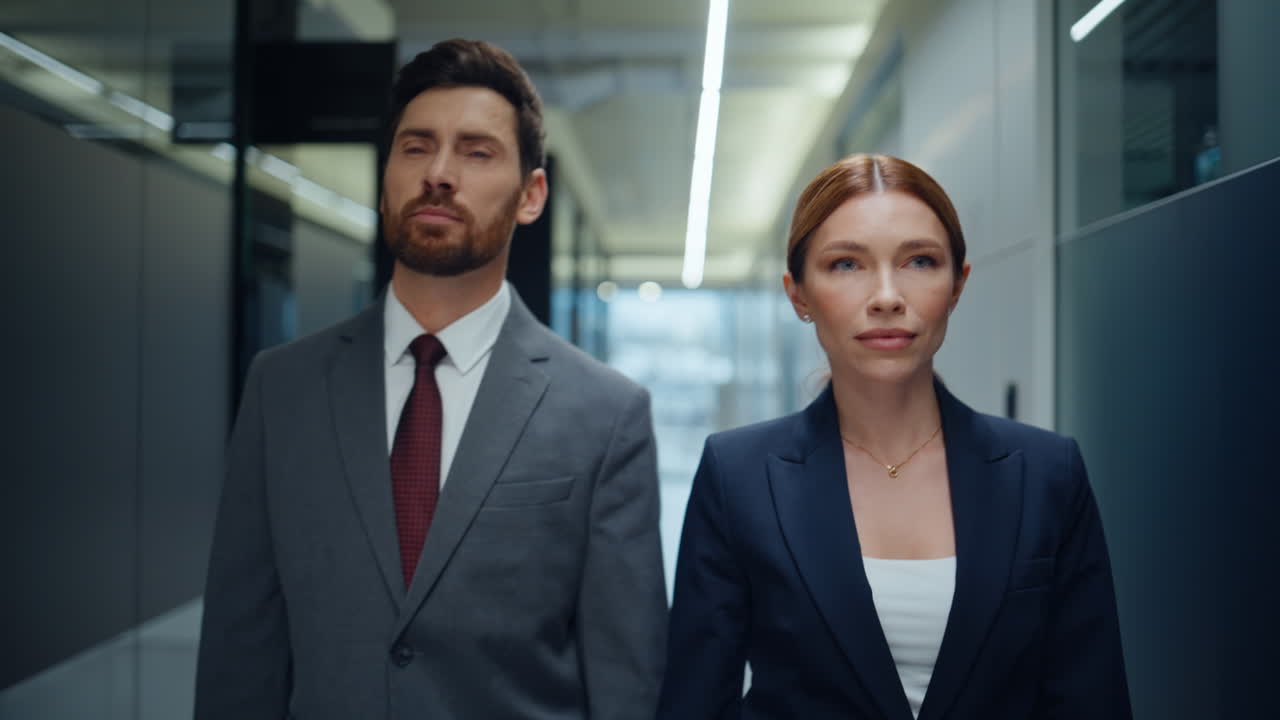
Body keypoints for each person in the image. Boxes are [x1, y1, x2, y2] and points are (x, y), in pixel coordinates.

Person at [195, 38, 667, 719]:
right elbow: (241, 653)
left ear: (532, 195)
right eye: (416, 148)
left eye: (477, 152)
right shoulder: (282, 390)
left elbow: (629, 679)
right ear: (386, 175)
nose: (439, 173)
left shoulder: (606, 413)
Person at [658, 153, 1130, 719]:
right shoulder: (738, 476)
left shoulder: (1046, 473)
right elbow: (695, 704)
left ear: (958, 284)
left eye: (920, 261)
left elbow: (1090, 700)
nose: (886, 296)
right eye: (846, 265)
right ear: (798, 294)